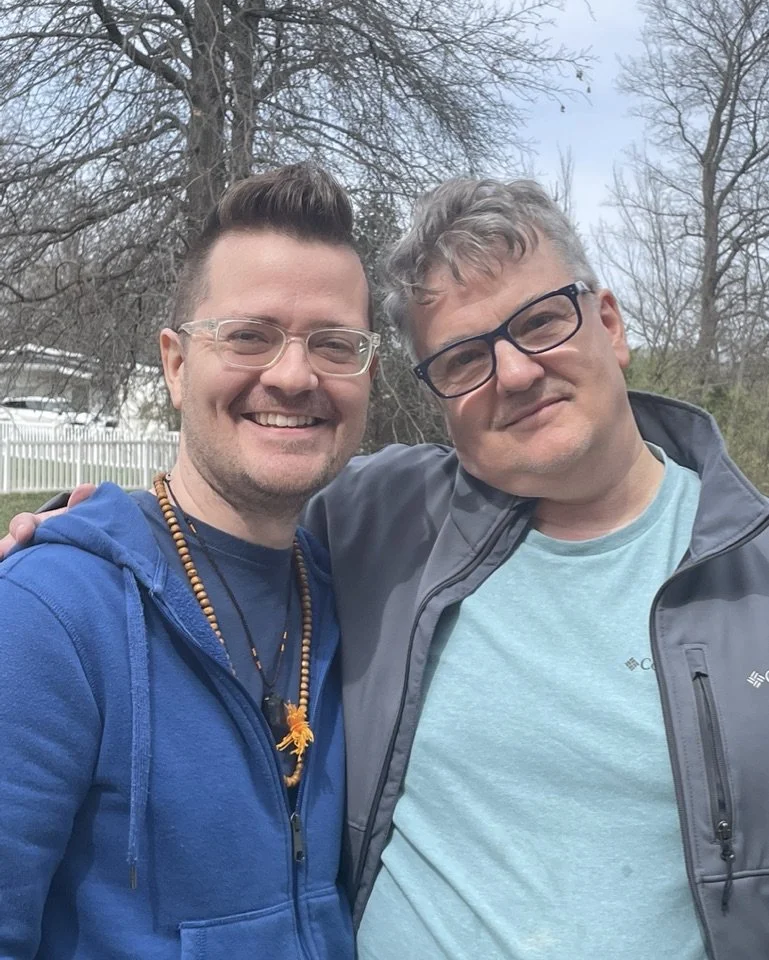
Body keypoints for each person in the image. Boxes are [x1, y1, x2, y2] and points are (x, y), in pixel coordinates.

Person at [7, 178, 769, 960]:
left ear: (608, 324)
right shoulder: (391, 528)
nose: (514, 373)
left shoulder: (357, 553)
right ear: (174, 365)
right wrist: (75, 543)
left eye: (541, 322)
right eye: (463, 357)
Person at [0, 162, 378, 957]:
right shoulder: (48, 615)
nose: (293, 375)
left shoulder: (360, 603)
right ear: (176, 365)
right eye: (249, 336)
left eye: (334, 344)